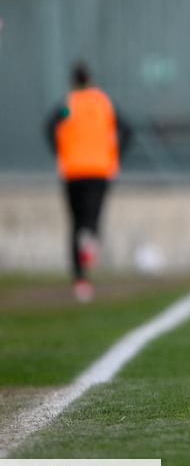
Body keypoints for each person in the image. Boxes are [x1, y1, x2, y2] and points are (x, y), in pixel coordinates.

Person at [45, 62, 132, 302]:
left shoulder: (68, 105)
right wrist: (115, 154)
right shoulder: (103, 103)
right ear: (91, 79)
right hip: (99, 169)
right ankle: (90, 240)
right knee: (93, 216)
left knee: (75, 222)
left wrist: (60, 151)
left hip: (73, 170)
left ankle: (81, 280)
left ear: (73, 81)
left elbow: (51, 125)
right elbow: (126, 129)